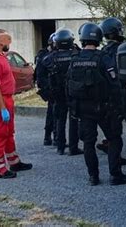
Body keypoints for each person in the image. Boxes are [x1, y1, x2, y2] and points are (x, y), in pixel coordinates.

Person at [67, 23, 126, 186]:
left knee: (88, 143)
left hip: (83, 109)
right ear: (98, 38)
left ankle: (93, 177)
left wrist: (73, 108)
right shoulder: (103, 58)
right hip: (104, 108)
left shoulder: (74, 60)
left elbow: (68, 86)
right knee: (114, 139)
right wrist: (119, 108)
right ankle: (115, 175)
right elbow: (114, 85)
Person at [0, 29, 33, 179]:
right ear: (1, 41)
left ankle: (13, 161)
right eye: (8, 39)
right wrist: (2, 107)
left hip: (5, 99)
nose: (10, 42)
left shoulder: (0, 57)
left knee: (9, 132)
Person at [95, 17, 126, 166]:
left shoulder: (103, 51)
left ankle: (112, 151)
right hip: (123, 90)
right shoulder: (125, 47)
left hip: (109, 94)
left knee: (114, 126)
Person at [42, 28, 84, 156]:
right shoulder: (76, 55)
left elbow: (42, 73)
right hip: (73, 92)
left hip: (57, 93)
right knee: (73, 119)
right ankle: (73, 147)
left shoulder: (49, 58)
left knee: (60, 120)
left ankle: (60, 147)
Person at [35, 34, 56, 146]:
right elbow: (39, 74)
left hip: (52, 86)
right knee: (51, 112)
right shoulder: (44, 55)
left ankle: (56, 137)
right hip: (48, 87)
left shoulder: (48, 54)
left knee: (54, 112)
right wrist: (46, 87)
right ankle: (48, 137)